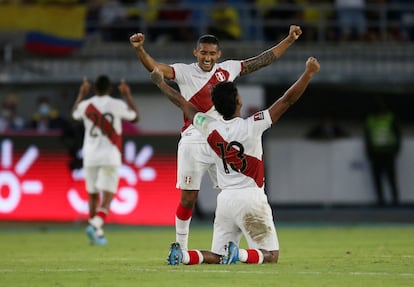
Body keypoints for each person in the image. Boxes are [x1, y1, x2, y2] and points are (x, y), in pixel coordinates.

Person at [130, 24, 302, 252]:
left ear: (218, 54)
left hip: (220, 141)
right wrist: (140, 50)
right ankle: (180, 247)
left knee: (231, 193)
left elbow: (263, 60)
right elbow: (156, 68)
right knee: (188, 198)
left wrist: (289, 40)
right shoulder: (184, 71)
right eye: (203, 52)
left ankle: (228, 248)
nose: (207, 57)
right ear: (196, 52)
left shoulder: (228, 69)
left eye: (212, 53)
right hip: (193, 139)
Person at [151, 56, 320, 265]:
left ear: (215, 105)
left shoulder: (208, 126)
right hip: (251, 198)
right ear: (239, 101)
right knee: (271, 256)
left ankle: (183, 255)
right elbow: (287, 100)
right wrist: (308, 74)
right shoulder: (253, 125)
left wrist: (160, 83)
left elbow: (183, 103)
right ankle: (239, 254)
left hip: (225, 200)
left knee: (219, 256)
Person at [72, 75, 139, 245]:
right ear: (110, 89)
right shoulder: (117, 104)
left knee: (93, 195)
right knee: (108, 195)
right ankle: (95, 225)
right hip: (110, 155)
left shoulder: (86, 105)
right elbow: (135, 117)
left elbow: (74, 115)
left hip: (91, 155)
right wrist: (127, 94)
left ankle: (97, 234)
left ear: (94, 88)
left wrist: (81, 93)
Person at [363, 96, 401, 206]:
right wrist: (369, 152)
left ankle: (395, 200)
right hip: (376, 153)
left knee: (391, 178)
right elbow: (367, 136)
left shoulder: (390, 117)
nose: (380, 108)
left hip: (388, 152)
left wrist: (396, 149)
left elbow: (398, 134)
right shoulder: (370, 119)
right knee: (377, 178)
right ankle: (380, 200)